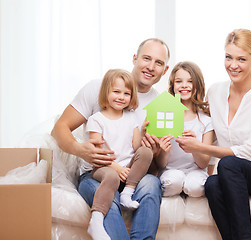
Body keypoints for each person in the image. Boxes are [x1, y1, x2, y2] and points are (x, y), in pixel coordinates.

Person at [175, 29, 251, 240]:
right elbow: (210, 134)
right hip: (237, 174)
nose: (233, 65)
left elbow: (250, 154)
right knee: (212, 184)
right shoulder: (215, 92)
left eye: (241, 59)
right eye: (229, 57)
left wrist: (200, 147)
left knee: (228, 164)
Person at [51, 38, 169, 240]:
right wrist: (80, 149)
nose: (151, 67)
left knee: (151, 185)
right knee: (107, 198)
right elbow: (59, 129)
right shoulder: (99, 87)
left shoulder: (161, 106)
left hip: (134, 175)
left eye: (158, 63)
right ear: (135, 58)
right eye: (146, 58)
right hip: (99, 172)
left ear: (165, 70)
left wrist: (156, 152)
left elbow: (157, 164)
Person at [85, 69, 154, 240]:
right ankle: (96, 220)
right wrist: (115, 167)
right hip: (103, 166)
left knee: (146, 152)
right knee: (112, 177)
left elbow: (136, 147)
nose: (121, 97)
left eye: (126, 93)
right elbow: (97, 152)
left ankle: (127, 193)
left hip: (127, 170)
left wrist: (144, 132)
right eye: (116, 91)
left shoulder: (131, 118)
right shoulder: (96, 119)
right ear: (106, 92)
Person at [156, 61, 214, 197]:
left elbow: (203, 163)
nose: (184, 85)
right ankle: (179, 186)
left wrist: (195, 147)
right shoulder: (165, 117)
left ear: (197, 85)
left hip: (196, 172)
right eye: (178, 81)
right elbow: (161, 163)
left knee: (195, 187)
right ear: (172, 86)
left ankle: (186, 187)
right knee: (174, 181)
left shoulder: (206, 121)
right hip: (171, 170)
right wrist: (164, 149)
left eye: (190, 81)